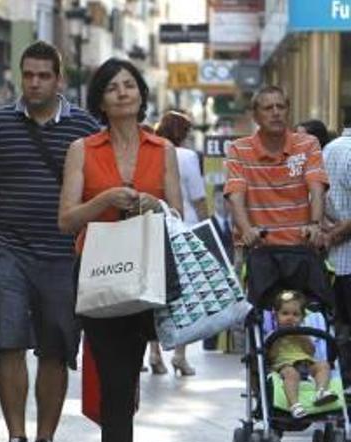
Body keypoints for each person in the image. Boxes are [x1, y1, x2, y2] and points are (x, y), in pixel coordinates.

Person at [0, 41, 101, 442]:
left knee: (56, 349)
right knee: (9, 341)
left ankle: (46, 441)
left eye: (44, 75)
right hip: (7, 249)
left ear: (59, 80)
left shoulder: (85, 126)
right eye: (29, 75)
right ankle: (16, 439)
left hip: (63, 254)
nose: (35, 83)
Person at [59, 58, 184, 442]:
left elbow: (178, 214)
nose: (123, 92)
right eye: (113, 88)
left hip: (147, 274)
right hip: (97, 272)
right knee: (111, 371)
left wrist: (154, 205)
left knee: (126, 372)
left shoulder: (162, 150)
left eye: (130, 85)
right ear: (101, 101)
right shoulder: (83, 150)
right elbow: (66, 220)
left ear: (141, 95)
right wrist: (105, 200)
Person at [224, 86, 329, 250]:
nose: (276, 112)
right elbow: (235, 196)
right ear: (255, 116)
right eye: (268, 108)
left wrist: (315, 224)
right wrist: (246, 230)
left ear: (288, 111)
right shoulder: (238, 149)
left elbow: (317, 188)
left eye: (281, 107)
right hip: (259, 246)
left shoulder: (308, 144)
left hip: (300, 246)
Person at [144, 110, 206, 376]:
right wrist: (207, 226)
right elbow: (198, 197)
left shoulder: (151, 152)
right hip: (184, 227)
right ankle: (180, 355)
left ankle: (154, 352)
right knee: (184, 295)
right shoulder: (187, 156)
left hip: (156, 225)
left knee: (157, 292)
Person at [267, 290, 338, 418]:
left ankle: (321, 391)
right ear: (276, 316)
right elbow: (270, 357)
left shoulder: (303, 332)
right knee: (291, 375)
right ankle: (294, 405)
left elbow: (311, 350)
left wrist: (302, 336)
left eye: (295, 314)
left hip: (306, 362)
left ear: (302, 318)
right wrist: (278, 339)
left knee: (324, 365)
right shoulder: (273, 334)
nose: (290, 317)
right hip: (284, 365)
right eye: (285, 313)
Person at [324, 113, 351, 327]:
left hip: (334, 262)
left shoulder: (329, 150)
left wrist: (330, 232)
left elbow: (314, 198)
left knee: (340, 330)